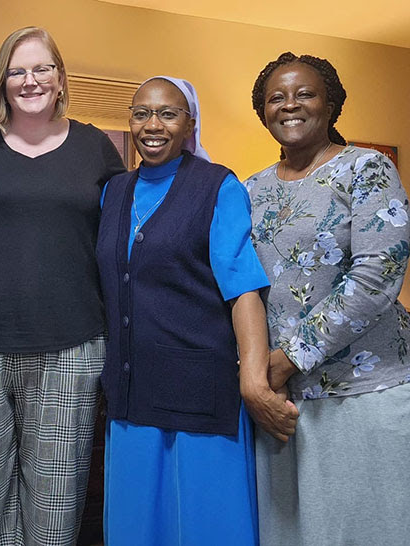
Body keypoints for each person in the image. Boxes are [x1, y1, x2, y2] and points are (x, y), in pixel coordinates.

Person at [0, 26, 126, 546]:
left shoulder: (96, 148)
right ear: (2, 80)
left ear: (60, 76)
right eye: (17, 70)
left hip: (72, 346)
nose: (30, 80)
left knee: (53, 508)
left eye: (41, 68)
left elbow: (125, 241)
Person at [97, 76, 293, 545]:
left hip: (200, 393)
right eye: (142, 112)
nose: (153, 125)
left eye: (167, 113)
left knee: (208, 528)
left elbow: (243, 287)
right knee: (135, 529)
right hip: (131, 393)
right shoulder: (114, 193)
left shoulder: (217, 186)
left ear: (189, 124)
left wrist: (253, 379)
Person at [247, 52, 410, 545]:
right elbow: (243, 290)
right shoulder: (249, 189)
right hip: (284, 406)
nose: (289, 105)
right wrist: (258, 372)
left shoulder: (367, 168)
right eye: (276, 98)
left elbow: (377, 276)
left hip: (365, 391)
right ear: (263, 111)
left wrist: (285, 360)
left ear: (331, 103)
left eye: (305, 94)